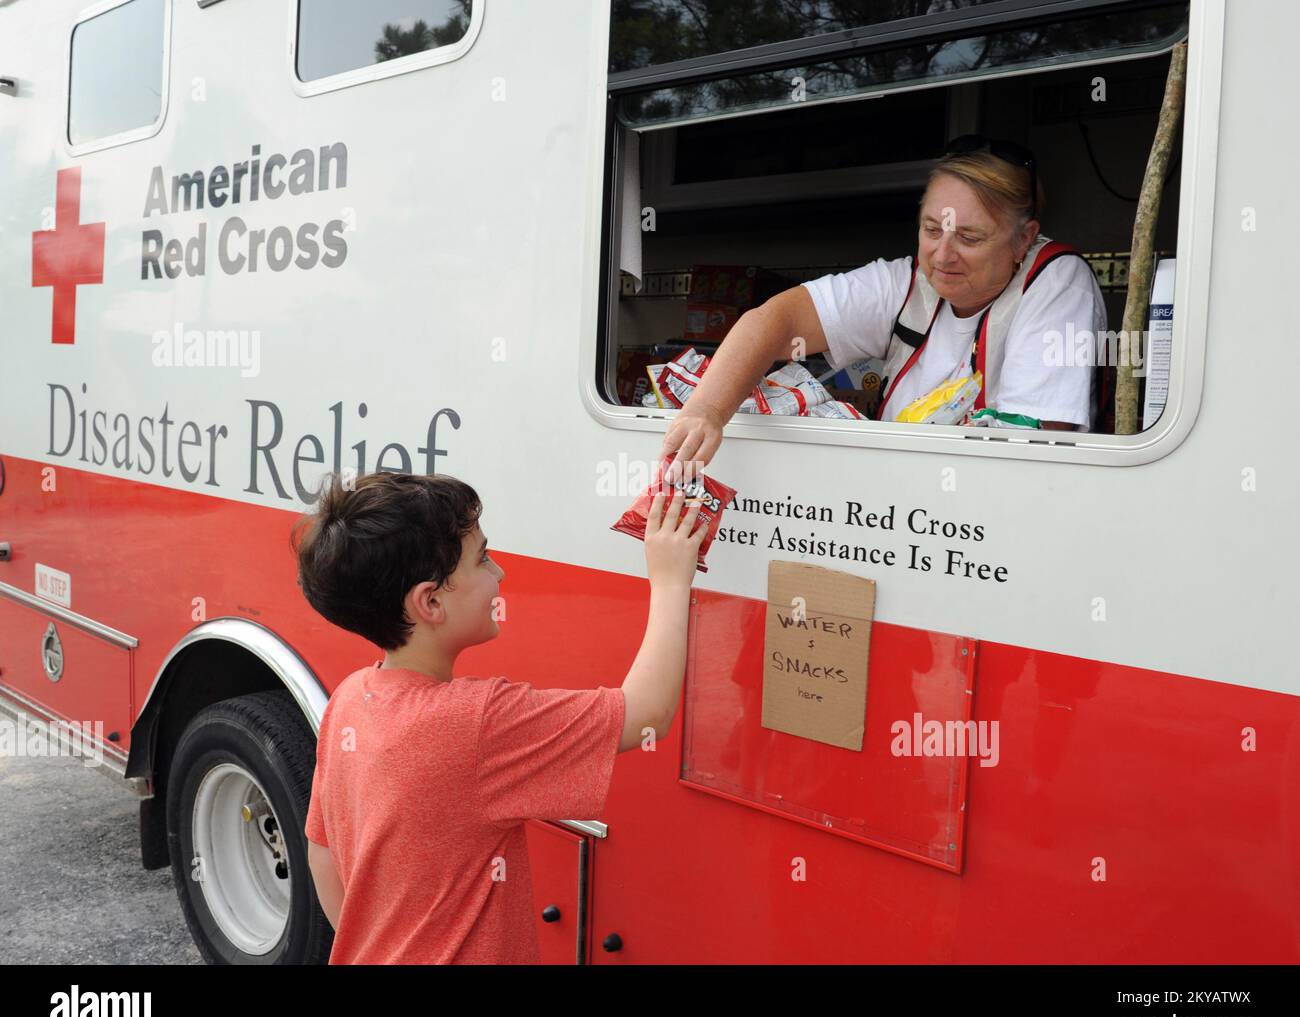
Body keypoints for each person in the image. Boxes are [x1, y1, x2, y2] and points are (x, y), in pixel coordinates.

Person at [293, 471, 704, 963]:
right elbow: (649, 714)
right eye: (482, 558)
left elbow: (322, 854)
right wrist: (671, 577)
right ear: (430, 601)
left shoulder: (348, 699)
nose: (500, 574)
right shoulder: (475, 723)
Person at [660, 136, 1107, 480]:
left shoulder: (1056, 281)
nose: (943, 255)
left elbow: (1025, 455)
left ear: (1024, 239)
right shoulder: (907, 279)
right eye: (932, 230)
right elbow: (777, 320)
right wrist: (708, 411)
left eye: (969, 238)